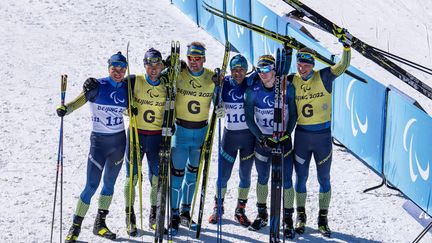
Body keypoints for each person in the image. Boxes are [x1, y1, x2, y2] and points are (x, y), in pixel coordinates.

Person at [57, 52, 129, 242]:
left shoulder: (127, 90)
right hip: (99, 143)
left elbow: (129, 111)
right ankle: (75, 226)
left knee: (109, 184)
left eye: (122, 69)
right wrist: (66, 109)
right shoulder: (97, 86)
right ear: (109, 68)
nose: (118, 72)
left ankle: (100, 224)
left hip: (119, 143)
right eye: (115, 68)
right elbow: (79, 101)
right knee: (91, 185)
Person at [289, 40, 351, 237]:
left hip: (322, 138)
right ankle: (301, 216)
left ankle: (323, 219)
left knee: (324, 178)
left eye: (306, 64)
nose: (302, 67)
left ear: (313, 65)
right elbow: (270, 78)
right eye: (300, 63)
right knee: (301, 177)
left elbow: (343, 65)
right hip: (301, 137)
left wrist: (346, 47)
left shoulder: (323, 76)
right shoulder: (292, 80)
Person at [169, 41, 221, 235]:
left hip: (200, 134)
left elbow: (218, 99)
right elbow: (163, 79)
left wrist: (220, 93)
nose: (194, 62)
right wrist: (170, 64)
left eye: (197, 58)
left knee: (192, 176)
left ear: (204, 59)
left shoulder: (210, 77)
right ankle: (173, 215)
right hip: (181, 132)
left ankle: (185, 212)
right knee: (177, 175)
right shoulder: (179, 74)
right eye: (190, 58)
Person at [244, 53, 297, 239]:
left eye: (267, 69)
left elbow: (294, 114)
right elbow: (249, 118)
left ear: (274, 70)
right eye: (260, 70)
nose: (263, 74)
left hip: (282, 139)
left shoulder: (287, 88)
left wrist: (287, 134)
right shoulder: (253, 91)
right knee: (263, 177)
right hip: (264, 141)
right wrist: (260, 137)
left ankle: (288, 219)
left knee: (287, 179)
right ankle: (262, 214)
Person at [122, 48, 166, 236]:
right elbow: (114, 88)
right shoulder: (133, 81)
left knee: (155, 179)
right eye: (149, 65)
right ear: (144, 65)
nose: (153, 69)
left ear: (162, 66)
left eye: (157, 65)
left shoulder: (166, 85)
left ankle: (154, 216)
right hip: (136, 135)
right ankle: (129, 215)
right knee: (132, 178)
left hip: (156, 138)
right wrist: (126, 110)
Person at [207, 54, 255, 228]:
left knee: (245, 175)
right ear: (231, 70)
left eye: (242, 69)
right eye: (235, 70)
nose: (238, 73)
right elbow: (215, 102)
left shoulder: (251, 83)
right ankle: (218, 207)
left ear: (246, 70)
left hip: (249, 138)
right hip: (230, 137)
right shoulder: (224, 83)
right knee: (223, 175)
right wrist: (217, 101)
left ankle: (240, 210)